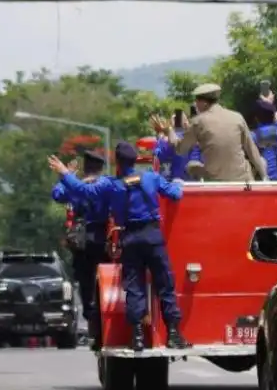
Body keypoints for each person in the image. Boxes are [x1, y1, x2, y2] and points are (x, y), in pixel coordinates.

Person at [48, 143, 189, 352]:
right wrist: (177, 179)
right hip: (152, 236)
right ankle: (174, 334)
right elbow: (176, 194)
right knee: (165, 284)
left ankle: (138, 336)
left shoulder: (111, 185)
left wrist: (65, 174)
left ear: (118, 163)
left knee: (134, 288)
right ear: (134, 160)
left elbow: (82, 190)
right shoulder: (151, 177)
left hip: (129, 237)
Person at [52, 150, 110, 345]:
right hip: (103, 240)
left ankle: (92, 319)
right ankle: (104, 319)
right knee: (105, 281)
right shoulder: (107, 185)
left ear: (85, 168)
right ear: (101, 168)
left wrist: (66, 176)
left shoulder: (75, 187)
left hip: (82, 243)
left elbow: (57, 194)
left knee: (85, 284)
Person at [161, 83, 267, 182]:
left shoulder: (198, 122)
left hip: (215, 179)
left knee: (191, 165)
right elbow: (252, 150)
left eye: (196, 101)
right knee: (260, 161)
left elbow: (180, 149)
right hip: (242, 178)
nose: (195, 104)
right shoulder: (237, 117)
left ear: (204, 103)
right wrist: (264, 177)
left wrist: (169, 130)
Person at [252, 96, 277, 181]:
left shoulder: (254, 136)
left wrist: (267, 104)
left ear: (256, 119)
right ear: (273, 116)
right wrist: (270, 104)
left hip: (266, 182)